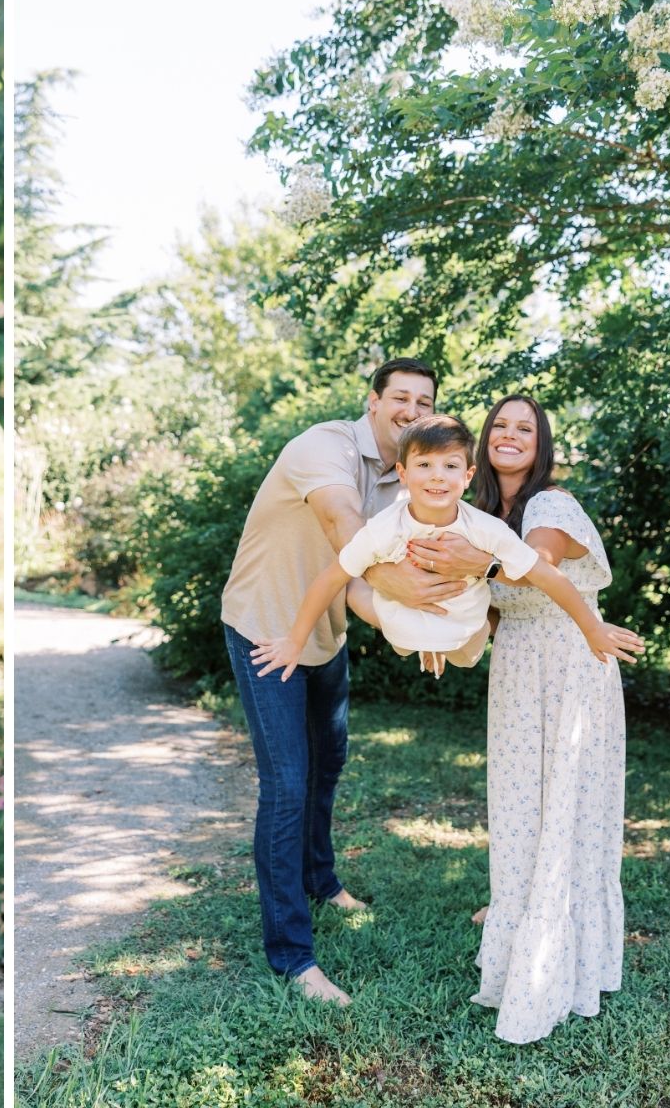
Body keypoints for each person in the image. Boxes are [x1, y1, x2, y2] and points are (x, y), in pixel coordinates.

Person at [222, 357, 483, 1005]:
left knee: (330, 760)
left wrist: (429, 626)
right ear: (373, 401)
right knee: (286, 784)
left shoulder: (412, 474)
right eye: (401, 398)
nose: (412, 411)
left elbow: (433, 554)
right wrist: (391, 593)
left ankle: (320, 879)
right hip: (266, 629)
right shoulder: (324, 447)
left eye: (425, 402)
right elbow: (343, 524)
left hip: (323, 633)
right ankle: (291, 956)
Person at [466, 394, 630, 1043]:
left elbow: (524, 567)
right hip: (516, 671)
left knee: (565, 807)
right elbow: (491, 609)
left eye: (524, 428)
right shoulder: (484, 515)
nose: (510, 436)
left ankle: (558, 964)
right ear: (485, 440)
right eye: (500, 426)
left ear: (542, 443)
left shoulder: (549, 506)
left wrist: (449, 558)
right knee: (517, 809)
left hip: (570, 665)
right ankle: (521, 932)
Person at [250, 415, 644, 683]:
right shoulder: (386, 526)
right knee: (366, 593)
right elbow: (331, 578)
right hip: (403, 626)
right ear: (403, 474)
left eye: (450, 467)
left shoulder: (483, 528)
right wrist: (294, 640)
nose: (437, 477)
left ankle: (439, 642)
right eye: (424, 466)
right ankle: (424, 641)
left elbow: (544, 575)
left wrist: (591, 627)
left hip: (466, 629)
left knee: (464, 652)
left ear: (468, 475)